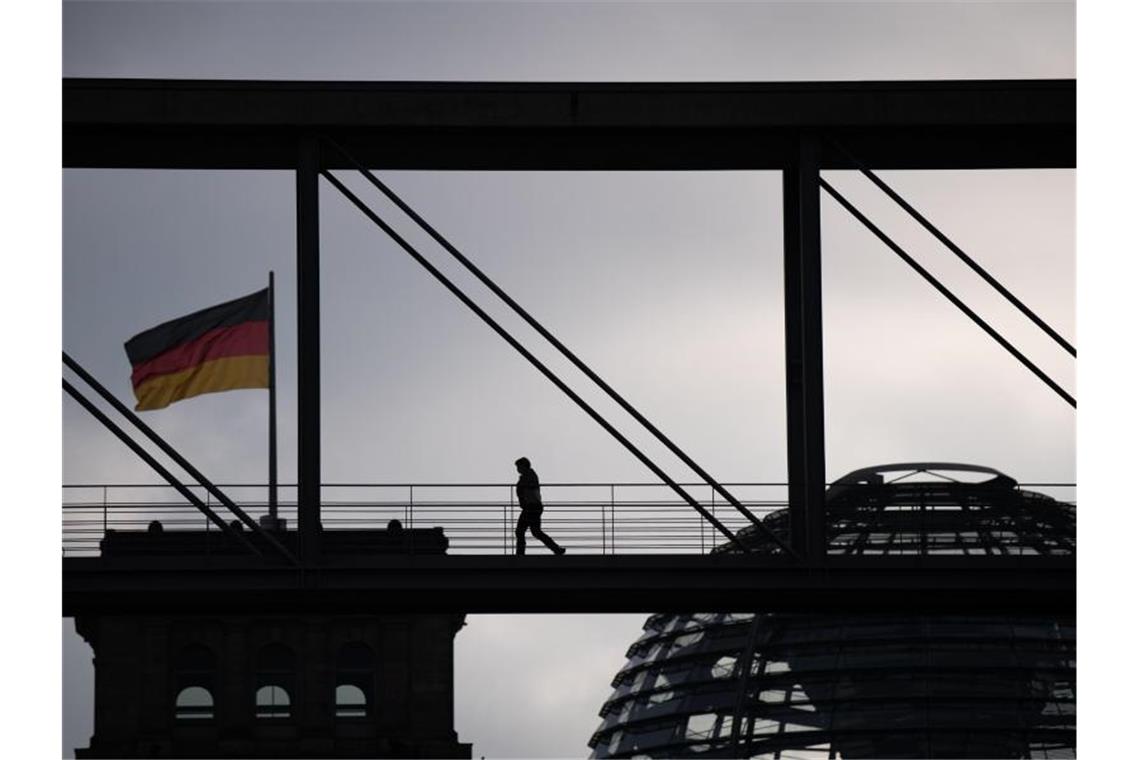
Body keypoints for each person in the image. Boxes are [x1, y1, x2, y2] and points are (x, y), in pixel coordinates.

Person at [514, 457, 565, 555]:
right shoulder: (530, 475)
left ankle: (520, 555)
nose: (517, 470)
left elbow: (524, 488)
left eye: (518, 467)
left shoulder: (528, 475)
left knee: (520, 531)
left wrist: (520, 492)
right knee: (535, 532)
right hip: (533, 506)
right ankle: (557, 549)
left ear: (523, 466)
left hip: (531, 507)